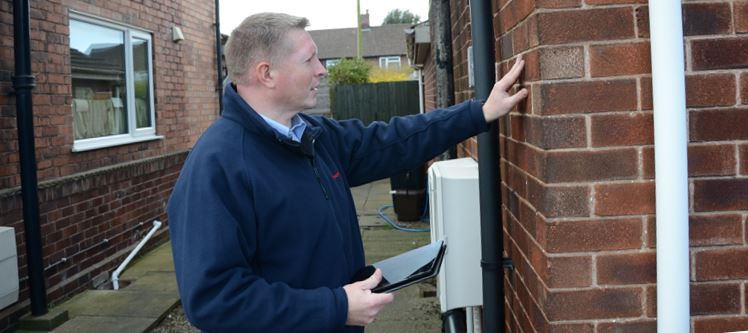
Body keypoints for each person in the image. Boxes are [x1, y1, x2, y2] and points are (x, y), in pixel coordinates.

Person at [167, 12, 527, 333]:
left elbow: (390, 141)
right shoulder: (217, 167)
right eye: (309, 59)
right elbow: (214, 300)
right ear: (267, 73)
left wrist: (477, 114)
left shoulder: (311, 134)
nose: (322, 69)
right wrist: (336, 307)